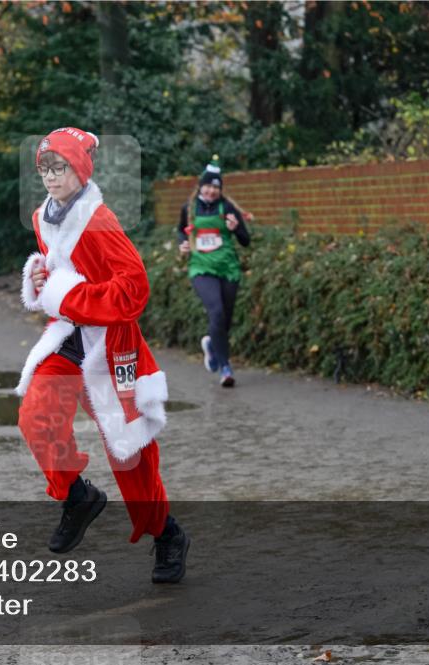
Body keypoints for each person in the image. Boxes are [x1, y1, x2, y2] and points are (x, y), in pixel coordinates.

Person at [16, 127, 189, 584]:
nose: (51, 176)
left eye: (60, 167)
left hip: (112, 346)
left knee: (131, 454)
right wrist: (41, 278)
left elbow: (134, 290)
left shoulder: (100, 220)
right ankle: (77, 496)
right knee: (36, 416)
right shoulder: (42, 217)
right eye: (45, 168)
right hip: (69, 337)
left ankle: (166, 533)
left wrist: (68, 296)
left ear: (80, 169)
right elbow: (61, 268)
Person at [177, 156, 252, 387]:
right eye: (208, 186)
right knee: (216, 312)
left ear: (220, 190)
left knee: (225, 319)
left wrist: (236, 228)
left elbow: (246, 240)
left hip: (228, 267)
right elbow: (181, 231)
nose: (211, 191)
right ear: (201, 186)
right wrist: (183, 244)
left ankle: (212, 344)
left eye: (216, 187)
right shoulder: (189, 209)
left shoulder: (227, 208)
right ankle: (225, 367)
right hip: (201, 268)